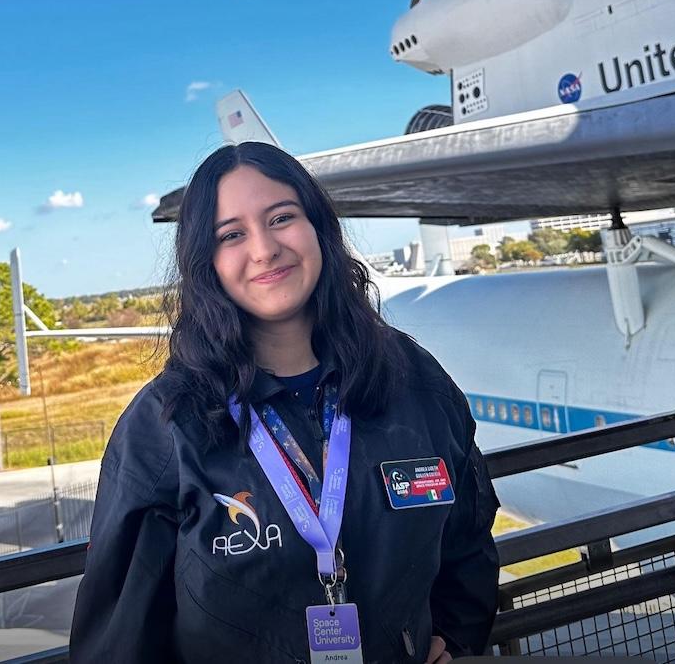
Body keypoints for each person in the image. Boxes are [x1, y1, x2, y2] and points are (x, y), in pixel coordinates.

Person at [70, 142, 499, 663]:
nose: (264, 249)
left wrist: (455, 636)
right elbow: (119, 632)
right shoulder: (166, 424)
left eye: (281, 218)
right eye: (231, 234)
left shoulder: (411, 379)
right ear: (206, 263)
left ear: (318, 227)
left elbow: (468, 538)